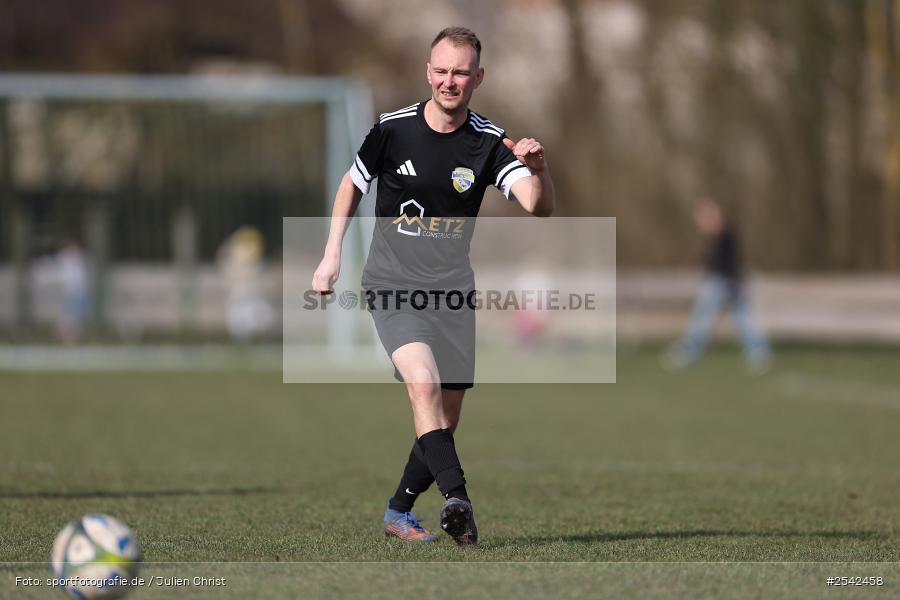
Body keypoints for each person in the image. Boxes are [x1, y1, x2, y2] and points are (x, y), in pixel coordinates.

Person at [312, 26, 555, 546]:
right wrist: (331, 253)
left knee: (444, 418)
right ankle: (458, 501)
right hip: (392, 285)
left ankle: (399, 510)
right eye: (441, 70)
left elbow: (538, 206)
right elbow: (351, 184)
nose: (450, 81)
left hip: (453, 293)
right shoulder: (391, 129)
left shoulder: (489, 142)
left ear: (478, 77)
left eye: (461, 72)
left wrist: (540, 170)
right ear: (428, 72)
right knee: (421, 386)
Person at [664, 198, 772, 372]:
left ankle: (757, 350)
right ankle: (691, 348)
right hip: (721, 281)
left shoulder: (726, 235)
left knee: (732, 317)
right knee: (720, 316)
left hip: (725, 282)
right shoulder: (714, 237)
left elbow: (726, 263)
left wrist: (730, 283)